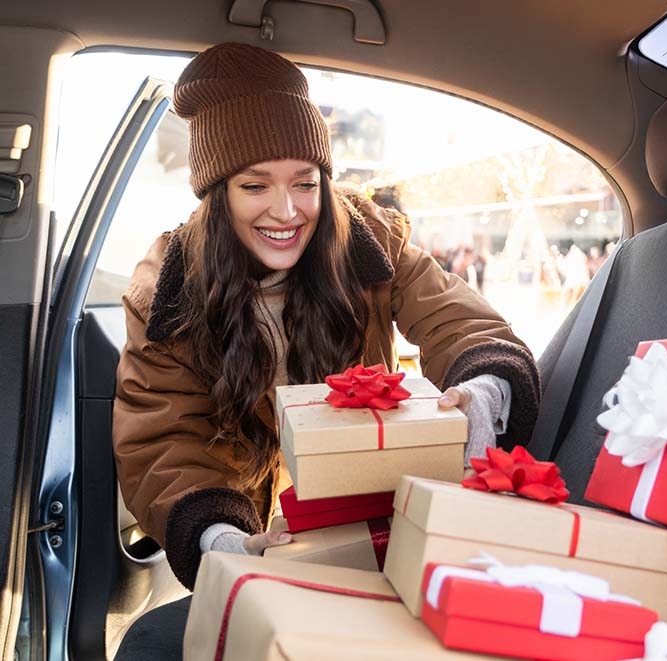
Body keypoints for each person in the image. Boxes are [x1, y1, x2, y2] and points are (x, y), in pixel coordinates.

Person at [111, 42, 539, 658]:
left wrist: (484, 392)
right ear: (217, 192)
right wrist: (224, 540)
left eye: (304, 183)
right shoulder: (168, 292)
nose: (286, 212)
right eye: (255, 185)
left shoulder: (373, 246)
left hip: (378, 536)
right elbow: (160, 441)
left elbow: (464, 326)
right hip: (260, 542)